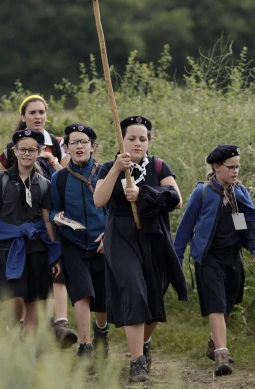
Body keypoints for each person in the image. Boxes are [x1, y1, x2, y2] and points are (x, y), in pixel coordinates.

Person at [93, 116, 188, 383]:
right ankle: (137, 363)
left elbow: (177, 200)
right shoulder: (110, 167)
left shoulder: (158, 166)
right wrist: (115, 171)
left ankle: (144, 344)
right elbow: (99, 200)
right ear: (121, 140)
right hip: (121, 236)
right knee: (134, 290)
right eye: (132, 138)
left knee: (154, 295)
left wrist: (144, 193)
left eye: (142, 139)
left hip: (154, 236)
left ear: (149, 141)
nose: (137, 143)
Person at [173, 145, 255, 376]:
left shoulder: (239, 193)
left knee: (228, 305)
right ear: (216, 167)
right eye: (231, 167)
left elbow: (251, 225)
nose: (235, 171)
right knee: (215, 304)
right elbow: (184, 229)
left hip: (232, 256)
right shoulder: (202, 192)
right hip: (208, 258)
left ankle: (214, 341)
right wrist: (177, 259)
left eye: (238, 167)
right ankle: (221, 355)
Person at [0, 94, 74, 345]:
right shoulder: (12, 147)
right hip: (27, 219)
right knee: (30, 274)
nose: (38, 117)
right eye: (32, 113)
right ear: (23, 116)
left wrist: (51, 160)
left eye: (42, 112)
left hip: (56, 212)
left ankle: (61, 322)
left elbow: (69, 177)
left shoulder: (60, 143)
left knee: (58, 266)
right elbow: (2, 182)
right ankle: (25, 327)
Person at [0, 129, 61, 333]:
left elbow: (46, 220)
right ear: (15, 151)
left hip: (36, 245)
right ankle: (14, 331)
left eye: (31, 150)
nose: (27, 154)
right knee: (14, 297)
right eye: (22, 149)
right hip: (7, 246)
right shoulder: (1, 179)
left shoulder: (44, 183)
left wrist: (55, 255)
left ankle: (29, 348)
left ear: (38, 152)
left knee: (34, 300)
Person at [50, 123, 109, 359]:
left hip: (102, 243)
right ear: (66, 147)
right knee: (81, 292)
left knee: (102, 297)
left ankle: (101, 332)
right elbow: (54, 209)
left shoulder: (106, 172)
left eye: (84, 141)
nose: (79, 146)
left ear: (93, 146)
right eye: (73, 142)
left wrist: (109, 235)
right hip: (73, 243)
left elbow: (115, 210)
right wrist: (58, 217)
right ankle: (85, 345)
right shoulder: (59, 178)